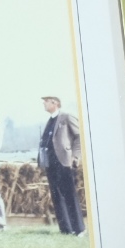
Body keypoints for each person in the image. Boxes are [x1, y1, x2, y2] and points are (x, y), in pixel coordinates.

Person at [37, 96, 85, 236]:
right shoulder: (50, 120)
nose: (44, 104)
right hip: (50, 163)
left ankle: (79, 229)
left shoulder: (66, 117)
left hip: (64, 162)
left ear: (55, 103)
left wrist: (75, 157)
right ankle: (65, 229)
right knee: (56, 195)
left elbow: (79, 137)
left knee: (69, 195)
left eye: (46, 101)